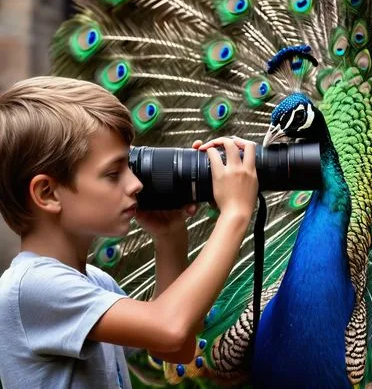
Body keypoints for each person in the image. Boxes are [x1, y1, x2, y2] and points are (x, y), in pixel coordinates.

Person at [0, 76, 259, 389]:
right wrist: (235, 213)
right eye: (113, 173)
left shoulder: (95, 280)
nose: (136, 184)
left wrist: (169, 236)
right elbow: (170, 327)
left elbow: (174, 348)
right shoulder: (31, 287)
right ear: (48, 193)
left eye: (130, 166)